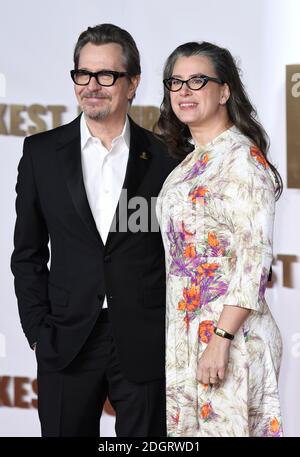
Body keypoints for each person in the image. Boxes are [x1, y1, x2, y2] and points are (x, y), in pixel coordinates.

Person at [11, 23, 178, 437]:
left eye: (107, 75)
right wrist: (37, 333)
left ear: (132, 83)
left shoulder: (166, 159)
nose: (92, 86)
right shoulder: (41, 154)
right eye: (83, 74)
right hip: (66, 341)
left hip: (144, 341)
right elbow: (27, 253)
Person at [156, 41, 283, 437]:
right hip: (186, 336)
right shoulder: (192, 161)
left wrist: (221, 338)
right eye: (175, 82)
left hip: (231, 338)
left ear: (225, 91)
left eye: (198, 80)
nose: (184, 91)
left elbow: (253, 258)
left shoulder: (242, 160)